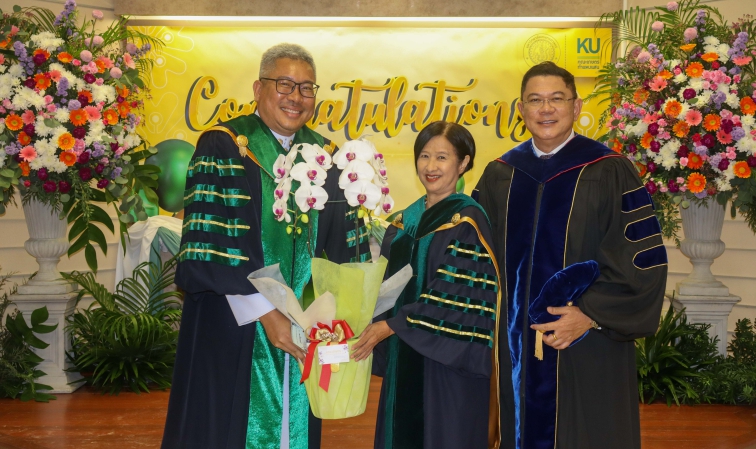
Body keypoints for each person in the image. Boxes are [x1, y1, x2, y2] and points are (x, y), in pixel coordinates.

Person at [161, 43, 369, 449]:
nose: (296, 97)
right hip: (235, 327)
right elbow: (210, 248)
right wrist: (267, 313)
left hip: (306, 332)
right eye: (284, 84)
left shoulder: (326, 156)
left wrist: (339, 318)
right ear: (259, 89)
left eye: (306, 88)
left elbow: (341, 254)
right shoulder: (224, 146)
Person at [473, 61, 668, 449]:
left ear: (576, 107)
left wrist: (590, 315)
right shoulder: (500, 174)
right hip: (515, 350)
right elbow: (475, 258)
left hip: (586, 345)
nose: (546, 109)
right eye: (535, 100)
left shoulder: (610, 171)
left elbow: (642, 262)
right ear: (520, 109)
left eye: (557, 99)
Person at [351, 121, 500, 449]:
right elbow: (383, 288)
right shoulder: (403, 221)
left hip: (447, 364)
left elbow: (458, 295)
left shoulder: (468, 221)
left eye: (442, 157)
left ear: (463, 163)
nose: (431, 166)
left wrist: (392, 326)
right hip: (403, 354)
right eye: (424, 156)